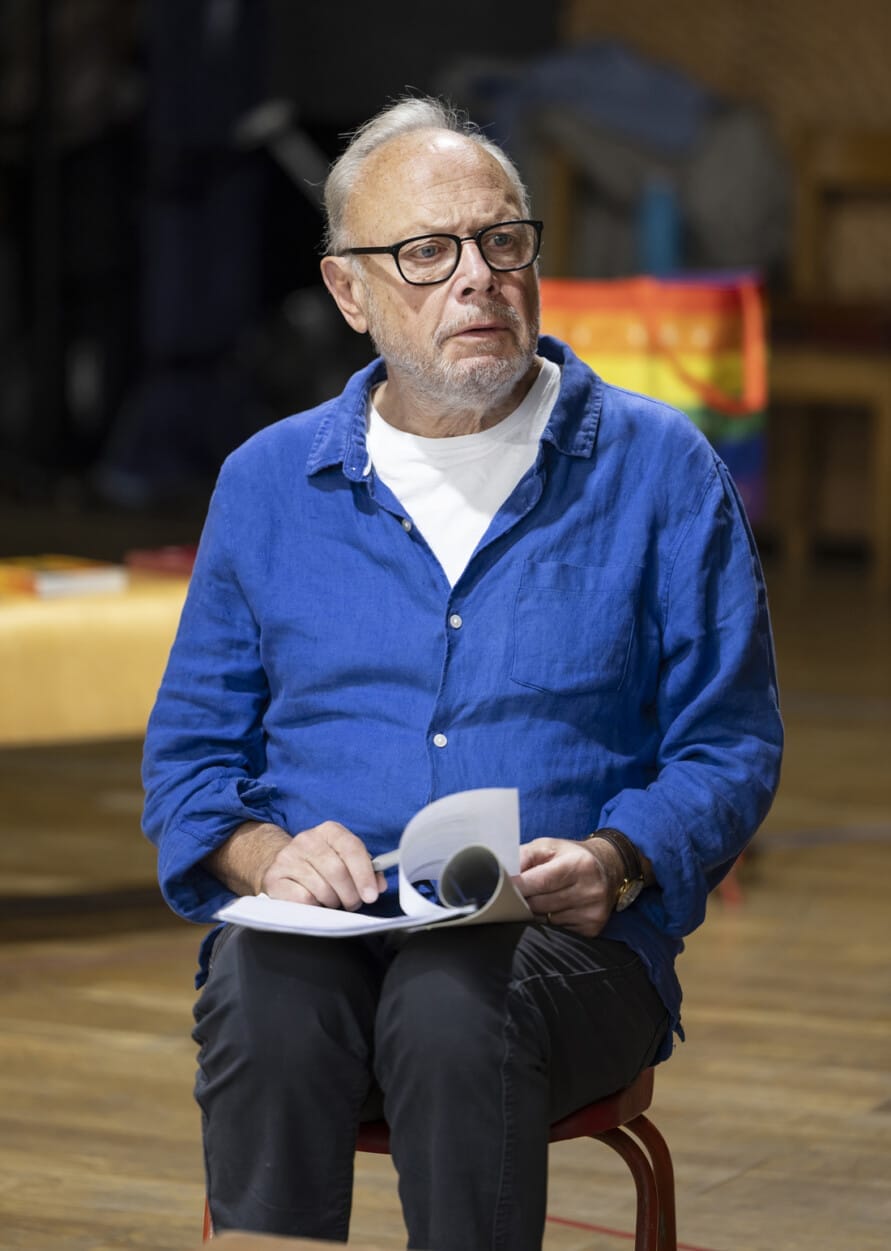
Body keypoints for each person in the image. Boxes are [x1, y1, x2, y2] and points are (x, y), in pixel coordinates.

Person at [142, 95, 783, 1250]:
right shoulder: (268, 483)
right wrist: (268, 853)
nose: (476, 278)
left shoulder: (659, 466)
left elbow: (728, 743)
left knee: (449, 1002)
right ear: (350, 292)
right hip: (327, 942)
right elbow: (190, 767)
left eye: (503, 242)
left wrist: (619, 861)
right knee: (261, 986)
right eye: (426, 254)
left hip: (564, 951)